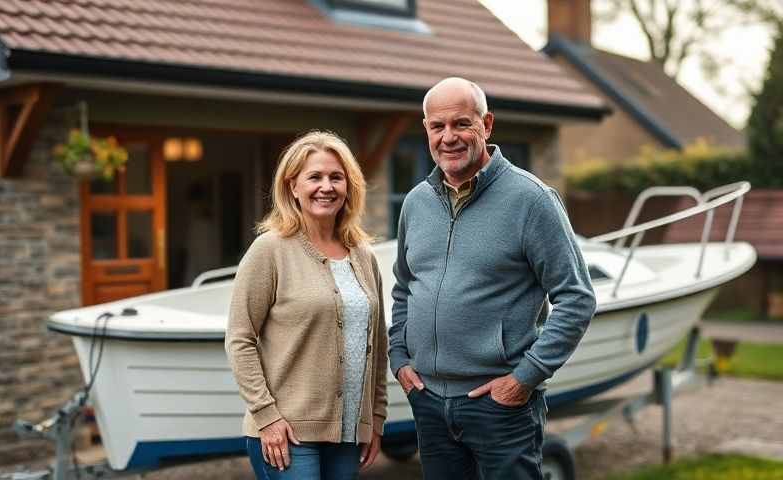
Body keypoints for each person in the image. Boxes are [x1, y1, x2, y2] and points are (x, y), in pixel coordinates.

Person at [388, 77, 596, 480]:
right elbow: (403, 286)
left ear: (486, 124)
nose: (449, 137)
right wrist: (399, 358)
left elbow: (577, 298)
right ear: (426, 130)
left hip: (500, 406)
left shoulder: (531, 200)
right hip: (428, 401)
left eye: (461, 124)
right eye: (437, 126)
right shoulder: (415, 203)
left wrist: (524, 378)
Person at [226, 131, 388, 480]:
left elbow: (378, 348)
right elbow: (240, 339)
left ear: (349, 186)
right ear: (292, 187)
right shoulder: (269, 250)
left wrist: (375, 418)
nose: (326, 187)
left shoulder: (363, 255)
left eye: (336, 177)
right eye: (314, 177)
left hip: (347, 435)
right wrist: (266, 416)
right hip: (286, 433)